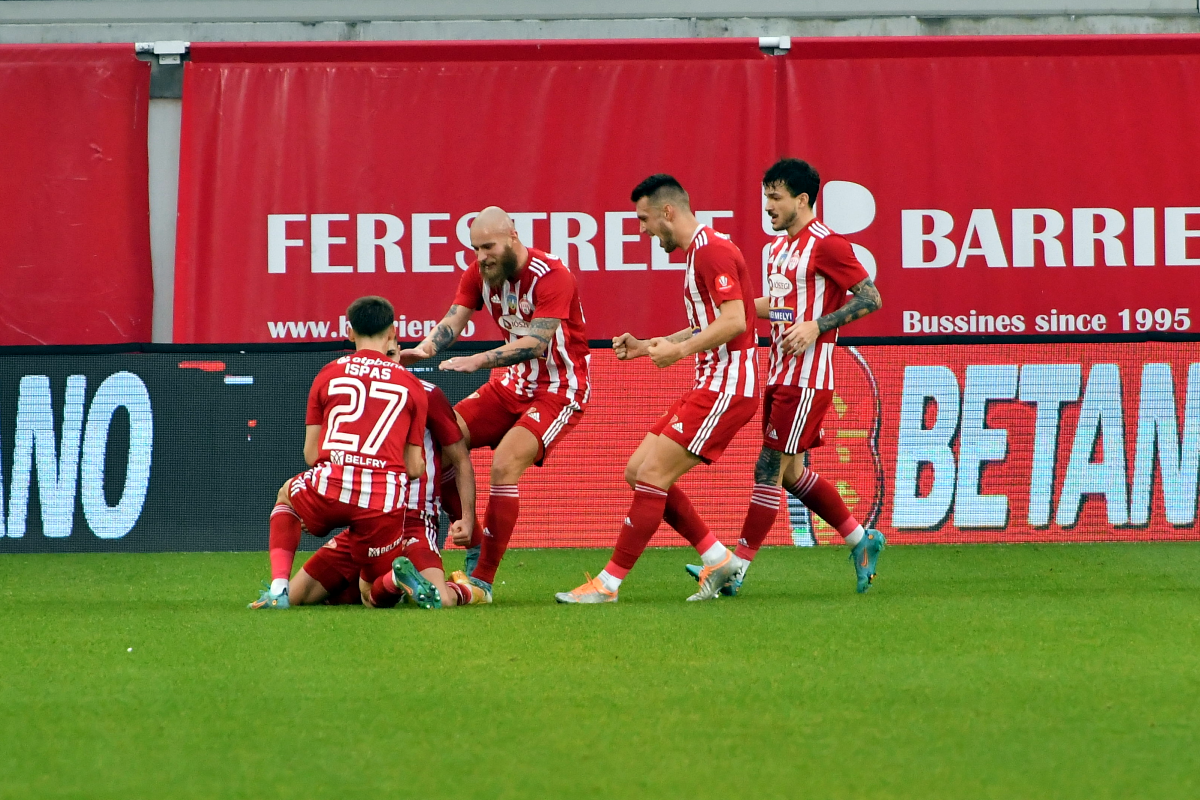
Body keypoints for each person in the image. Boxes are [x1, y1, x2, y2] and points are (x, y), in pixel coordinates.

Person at [555, 174, 759, 604]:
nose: (642, 229)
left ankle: (608, 585)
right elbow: (712, 322)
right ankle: (719, 560)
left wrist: (680, 351)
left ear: (668, 212)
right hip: (710, 380)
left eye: (644, 219)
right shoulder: (702, 252)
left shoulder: (713, 252)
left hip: (728, 385)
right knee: (638, 471)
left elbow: (736, 321)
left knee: (651, 475)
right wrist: (649, 345)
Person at [690, 158, 885, 595]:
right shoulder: (777, 250)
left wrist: (817, 326)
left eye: (775, 198)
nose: (767, 206)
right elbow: (781, 309)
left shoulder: (828, 245)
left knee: (768, 468)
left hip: (807, 376)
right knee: (793, 473)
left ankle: (734, 570)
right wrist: (732, 311)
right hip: (780, 370)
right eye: (765, 197)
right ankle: (861, 539)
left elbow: (871, 297)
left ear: (802, 199)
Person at [397, 207, 590, 600]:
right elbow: (453, 320)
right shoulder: (479, 273)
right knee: (443, 439)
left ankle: (481, 580)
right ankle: (469, 534)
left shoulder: (552, 276)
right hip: (512, 386)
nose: (481, 256)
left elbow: (537, 343)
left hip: (558, 389)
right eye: (474, 248)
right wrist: (424, 349)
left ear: (512, 237)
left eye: (488, 246)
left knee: (503, 464)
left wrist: (481, 360)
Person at [249, 295, 436, 610]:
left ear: (349, 332)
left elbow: (311, 455)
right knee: (370, 594)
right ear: (392, 332)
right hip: (383, 500)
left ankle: (279, 587)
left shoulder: (329, 373)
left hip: (333, 482)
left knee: (286, 497)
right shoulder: (411, 385)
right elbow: (415, 467)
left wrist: (319, 502)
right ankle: (393, 580)